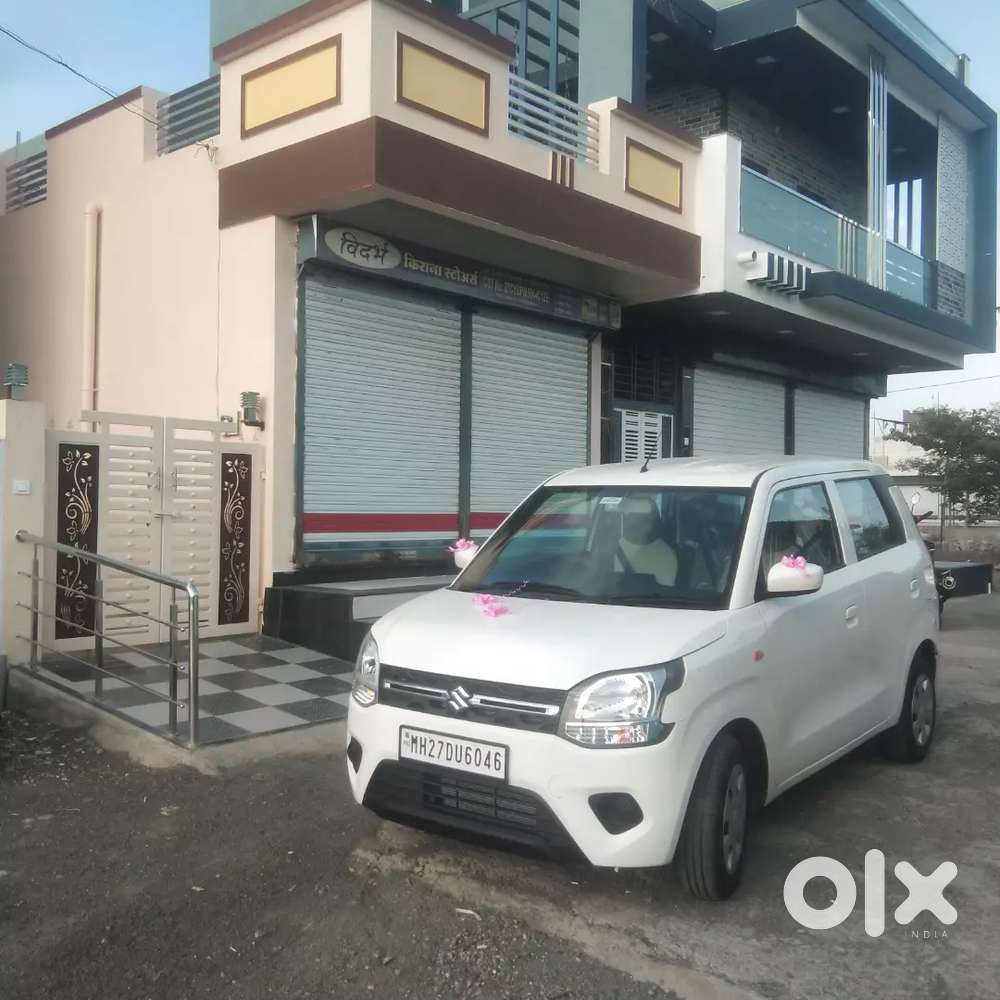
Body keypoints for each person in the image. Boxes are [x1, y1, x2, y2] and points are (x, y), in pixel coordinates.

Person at [617, 494, 678, 586]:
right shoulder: (606, 551)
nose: (638, 521)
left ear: (653, 521)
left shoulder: (666, 556)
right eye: (633, 516)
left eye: (643, 517)